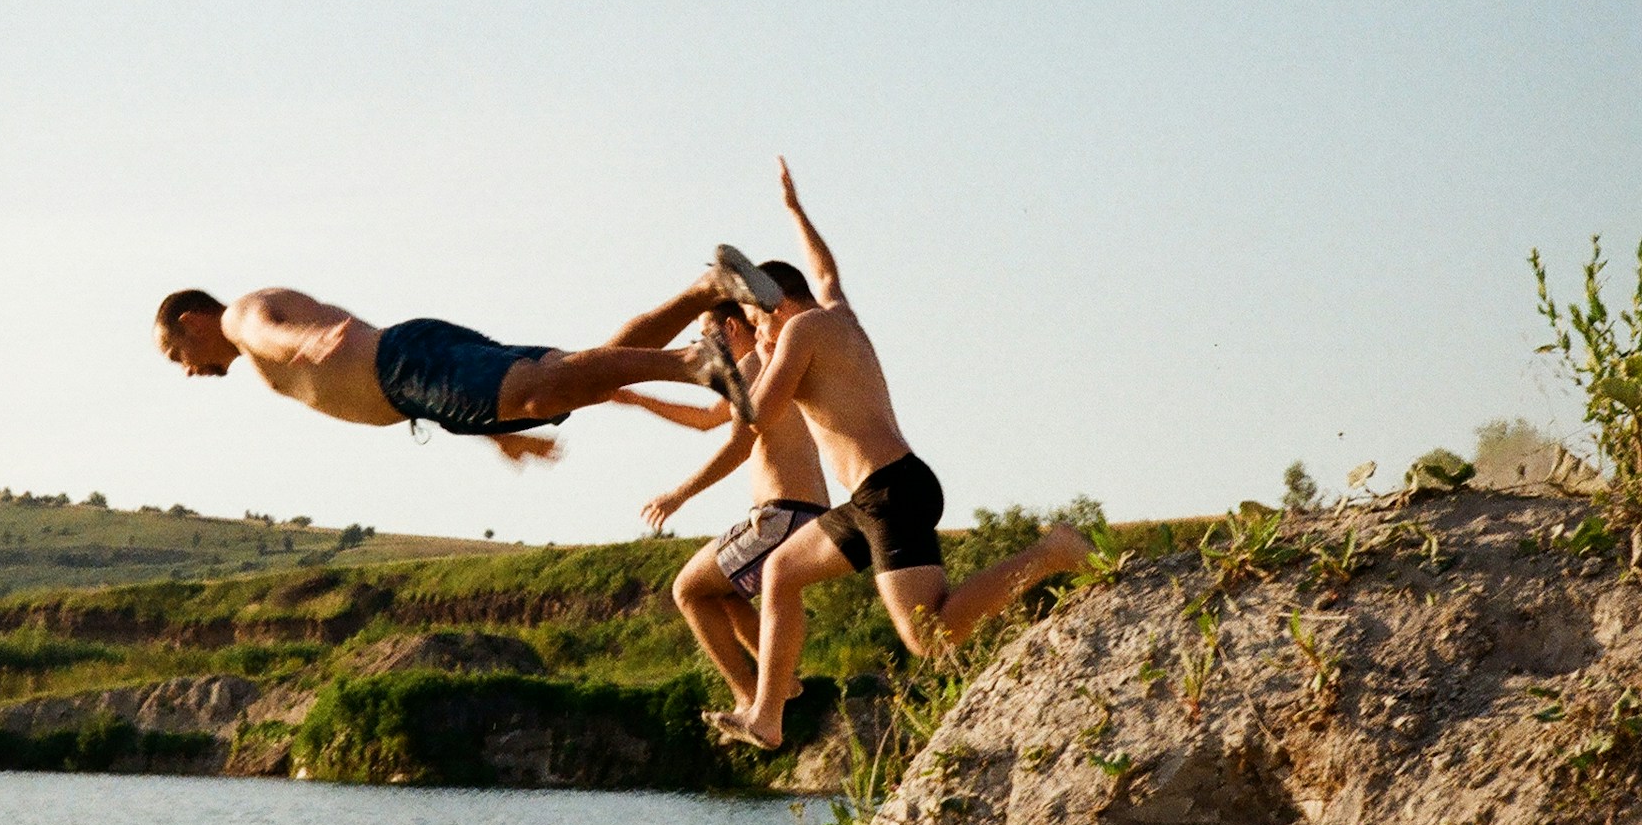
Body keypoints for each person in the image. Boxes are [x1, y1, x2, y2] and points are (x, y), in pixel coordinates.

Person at [708, 161, 1090, 747]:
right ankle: (766, 716)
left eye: (759, 323)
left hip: (890, 492)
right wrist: (794, 211)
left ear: (778, 307)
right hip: (876, 495)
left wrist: (718, 369)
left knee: (930, 637)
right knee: (781, 571)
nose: (758, 337)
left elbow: (755, 416)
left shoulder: (799, 333)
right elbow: (825, 271)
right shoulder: (836, 314)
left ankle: (1053, 550)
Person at [154, 246, 781, 462]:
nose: (186, 368)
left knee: (548, 385)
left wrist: (303, 342)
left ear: (190, 320)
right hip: (417, 377)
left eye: (175, 350)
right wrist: (490, 435)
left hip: (404, 366)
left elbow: (266, 330)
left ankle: (694, 363)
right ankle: (708, 287)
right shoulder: (246, 319)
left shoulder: (240, 316)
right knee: (583, 371)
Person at [629, 268, 831, 718]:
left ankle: (752, 696)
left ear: (732, 327)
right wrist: (642, 400)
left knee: (687, 590)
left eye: (705, 334)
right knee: (723, 594)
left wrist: (678, 495)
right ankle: (781, 681)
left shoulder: (751, 364)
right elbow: (707, 417)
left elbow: (739, 444)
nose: (701, 347)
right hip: (801, 513)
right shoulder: (765, 365)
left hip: (783, 515)